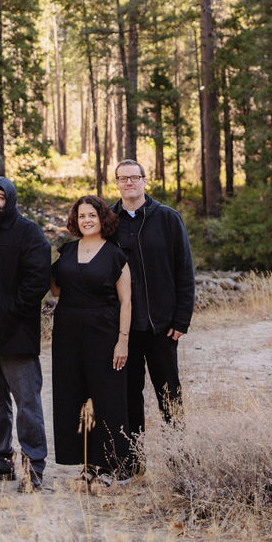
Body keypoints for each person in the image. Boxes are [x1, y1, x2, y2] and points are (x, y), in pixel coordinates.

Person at [0, 176, 53, 492]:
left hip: (16, 333)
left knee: (27, 403)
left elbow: (37, 280)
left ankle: (34, 469)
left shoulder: (28, 233)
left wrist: (10, 313)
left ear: (11, 200)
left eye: (0, 197)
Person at [112, 159, 195, 451]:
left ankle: (180, 460)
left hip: (161, 326)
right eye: (123, 179)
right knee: (129, 396)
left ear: (145, 181)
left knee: (169, 394)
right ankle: (134, 462)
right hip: (125, 330)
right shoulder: (109, 221)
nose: (129, 183)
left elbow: (184, 270)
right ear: (117, 183)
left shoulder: (168, 218)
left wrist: (181, 320)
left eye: (135, 177)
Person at [50, 194, 132, 487]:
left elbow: (127, 302)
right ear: (76, 220)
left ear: (103, 220)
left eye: (92, 216)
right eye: (82, 215)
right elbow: (56, 291)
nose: (87, 220)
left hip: (105, 331)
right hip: (68, 333)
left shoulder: (115, 255)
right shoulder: (66, 251)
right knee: (74, 396)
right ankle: (87, 463)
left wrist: (122, 341)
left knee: (107, 397)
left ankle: (110, 464)